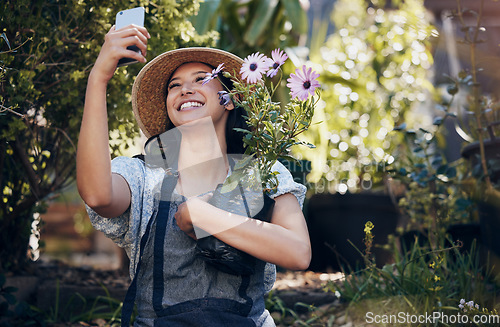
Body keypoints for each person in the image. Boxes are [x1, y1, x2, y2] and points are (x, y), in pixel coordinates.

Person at [77, 24, 311, 327]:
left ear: (231, 98)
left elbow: (298, 252)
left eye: (202, 79)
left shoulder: (262, 173)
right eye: (174, 86)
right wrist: (98, 79)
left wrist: (204, 215)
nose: (185, 89)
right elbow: (97, 195)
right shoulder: (143, 177)